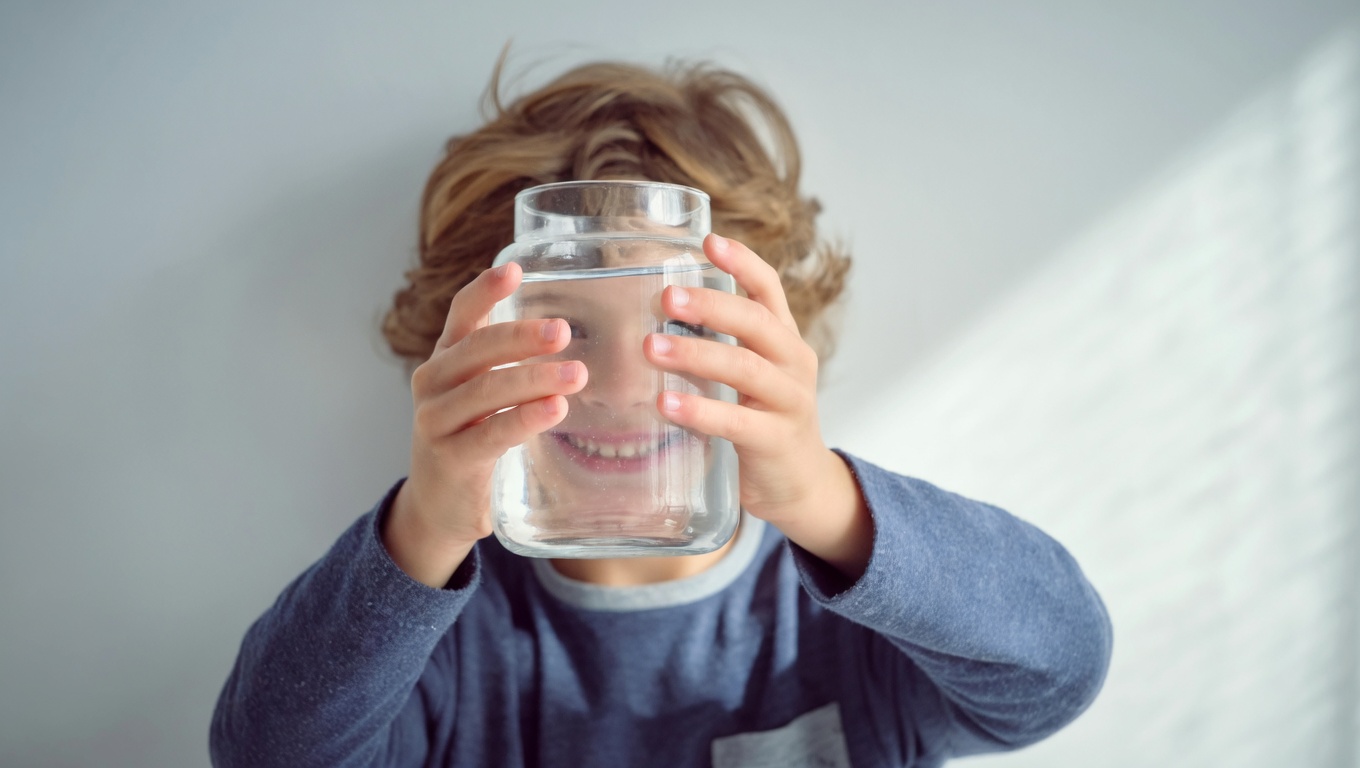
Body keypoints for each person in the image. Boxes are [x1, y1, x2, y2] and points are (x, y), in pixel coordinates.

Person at [210, 58, 1112, 768]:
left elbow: (1059, 665)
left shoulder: (858, 623)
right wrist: (426, 525)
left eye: (683, 326)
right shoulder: (443, 644)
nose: (621, 386)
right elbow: (264, 755)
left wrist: (822, 498)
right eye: (563, 328)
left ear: (770, 342)